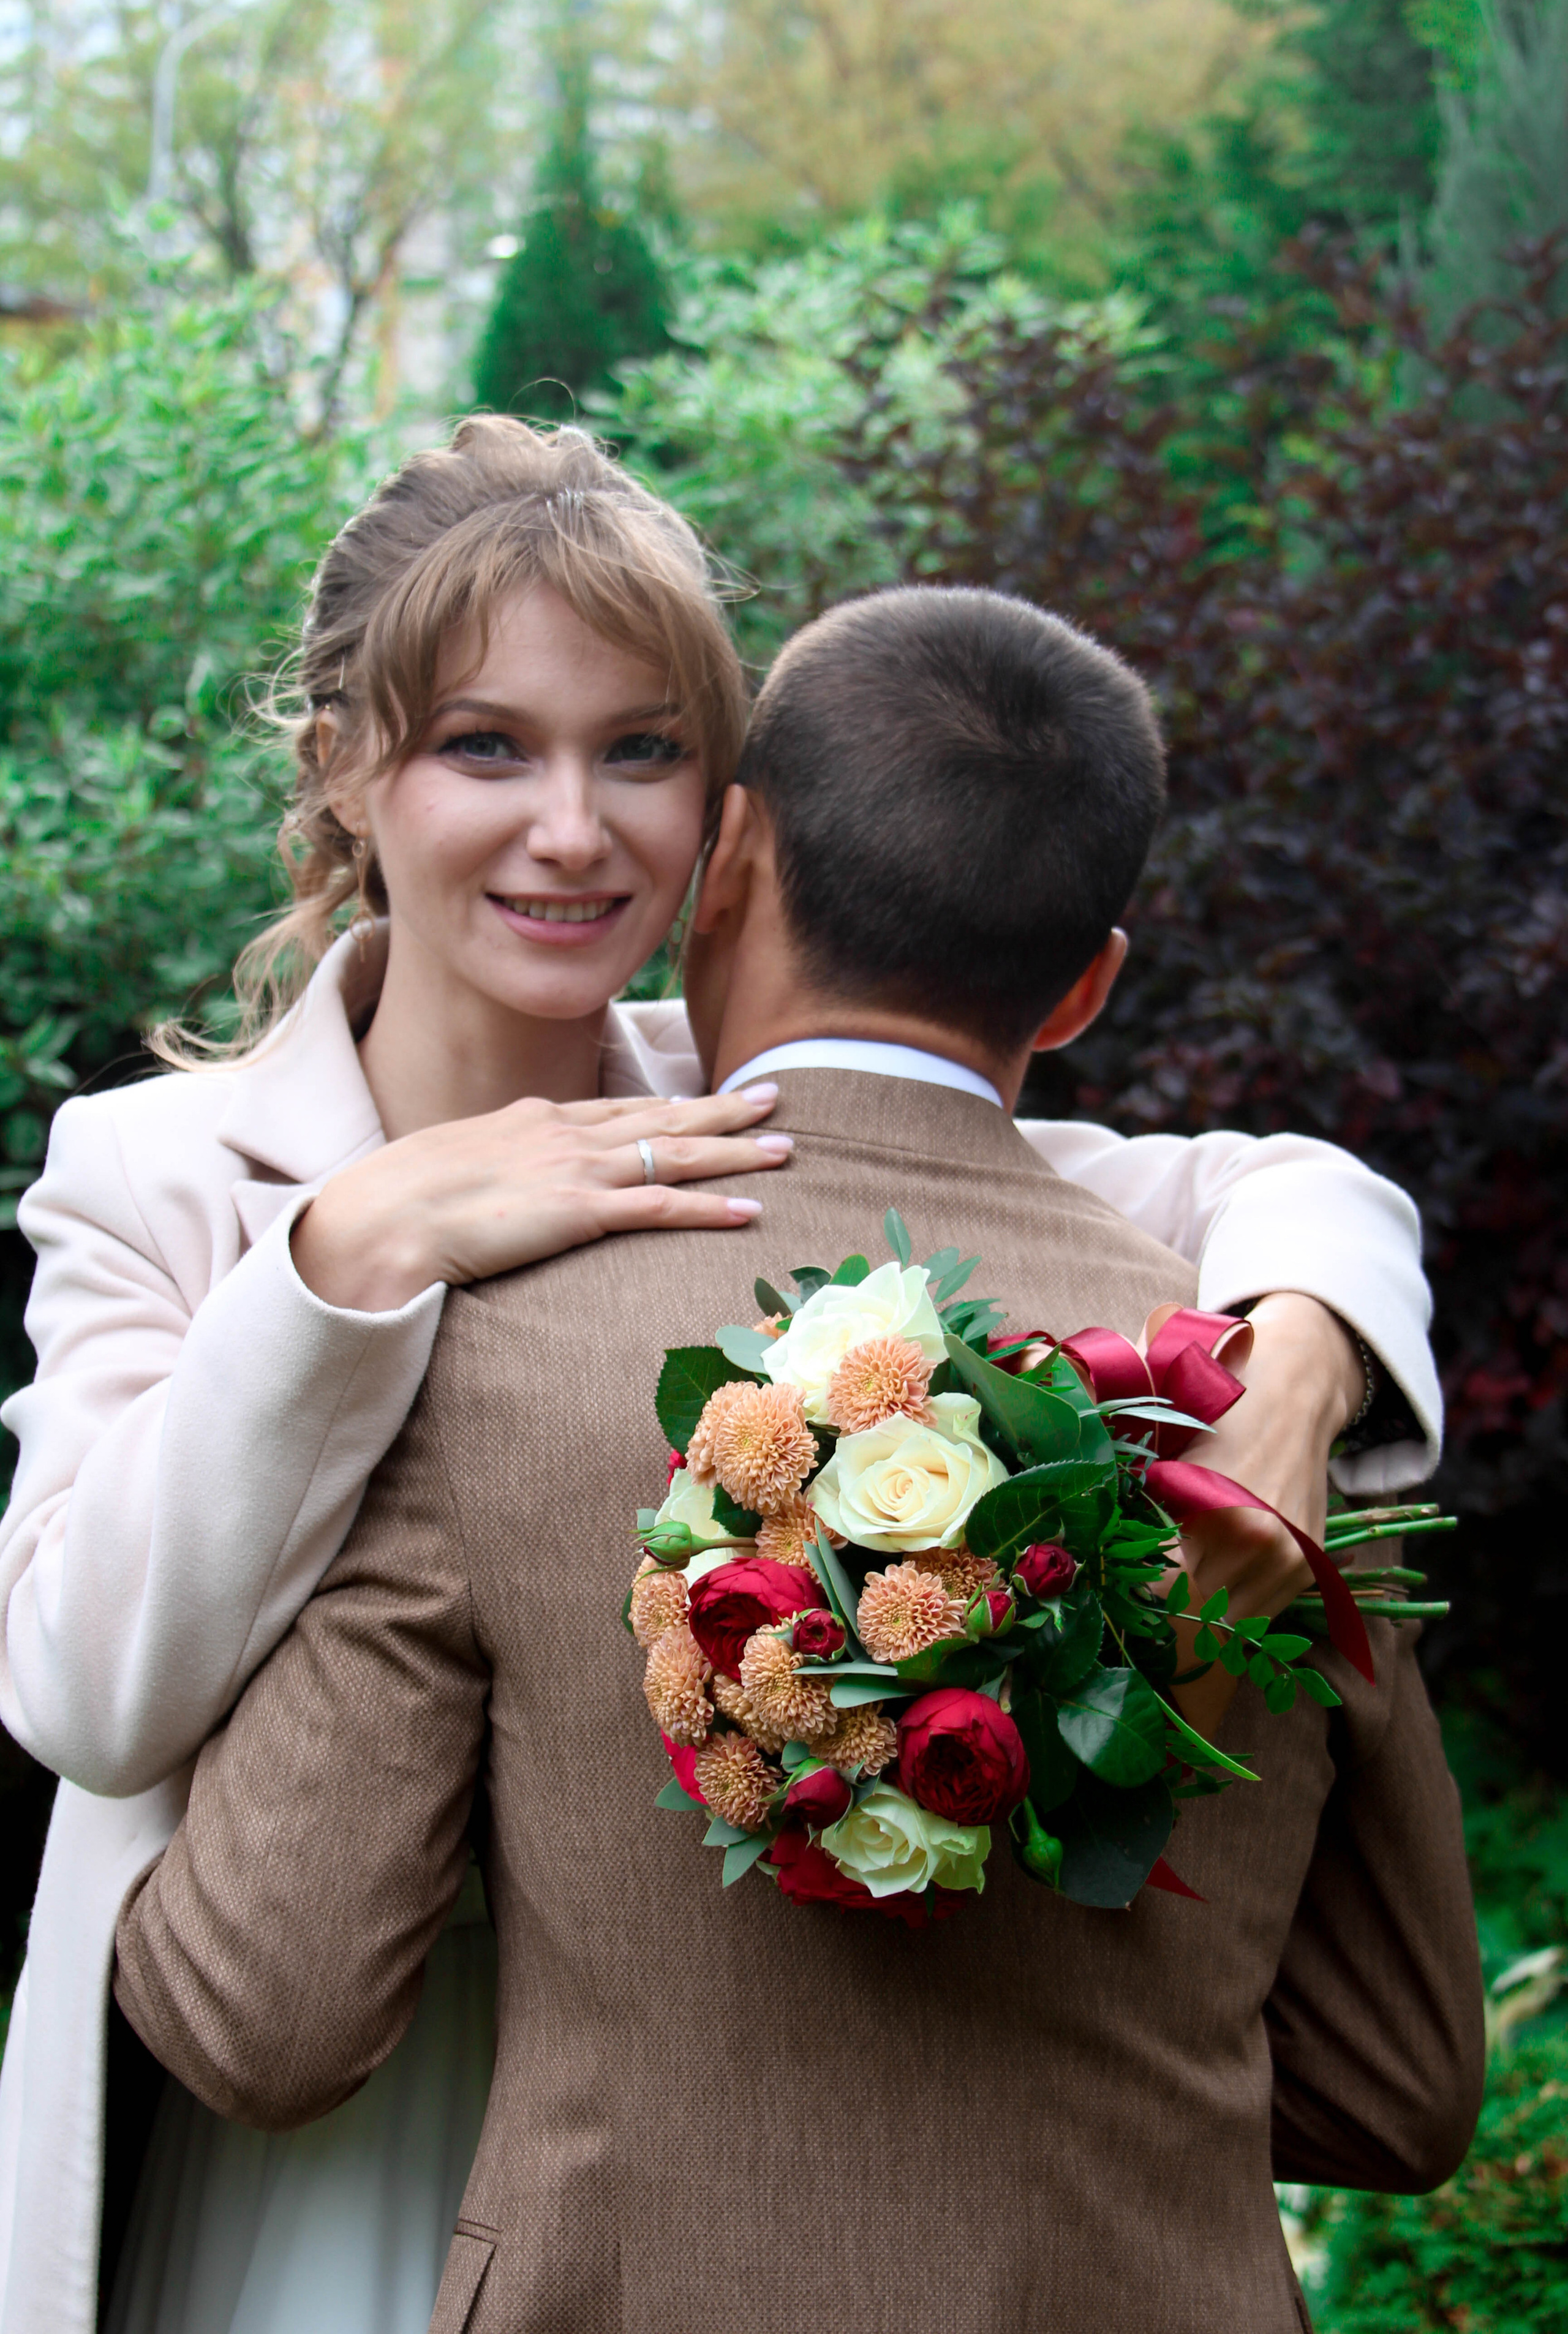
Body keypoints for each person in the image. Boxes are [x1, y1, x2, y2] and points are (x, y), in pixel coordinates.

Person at [0, 419, 1438, 2334]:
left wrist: (1310, 1356)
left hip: (670, 2114)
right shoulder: (160, 1171)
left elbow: (1271, 1188)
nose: (573, 829)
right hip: (324, 2128)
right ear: (343, 763)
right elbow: (85, 1699)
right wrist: (346, 1256)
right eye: (485, 746)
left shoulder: (741, 1104)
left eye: (642, 751)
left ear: (728, 816)